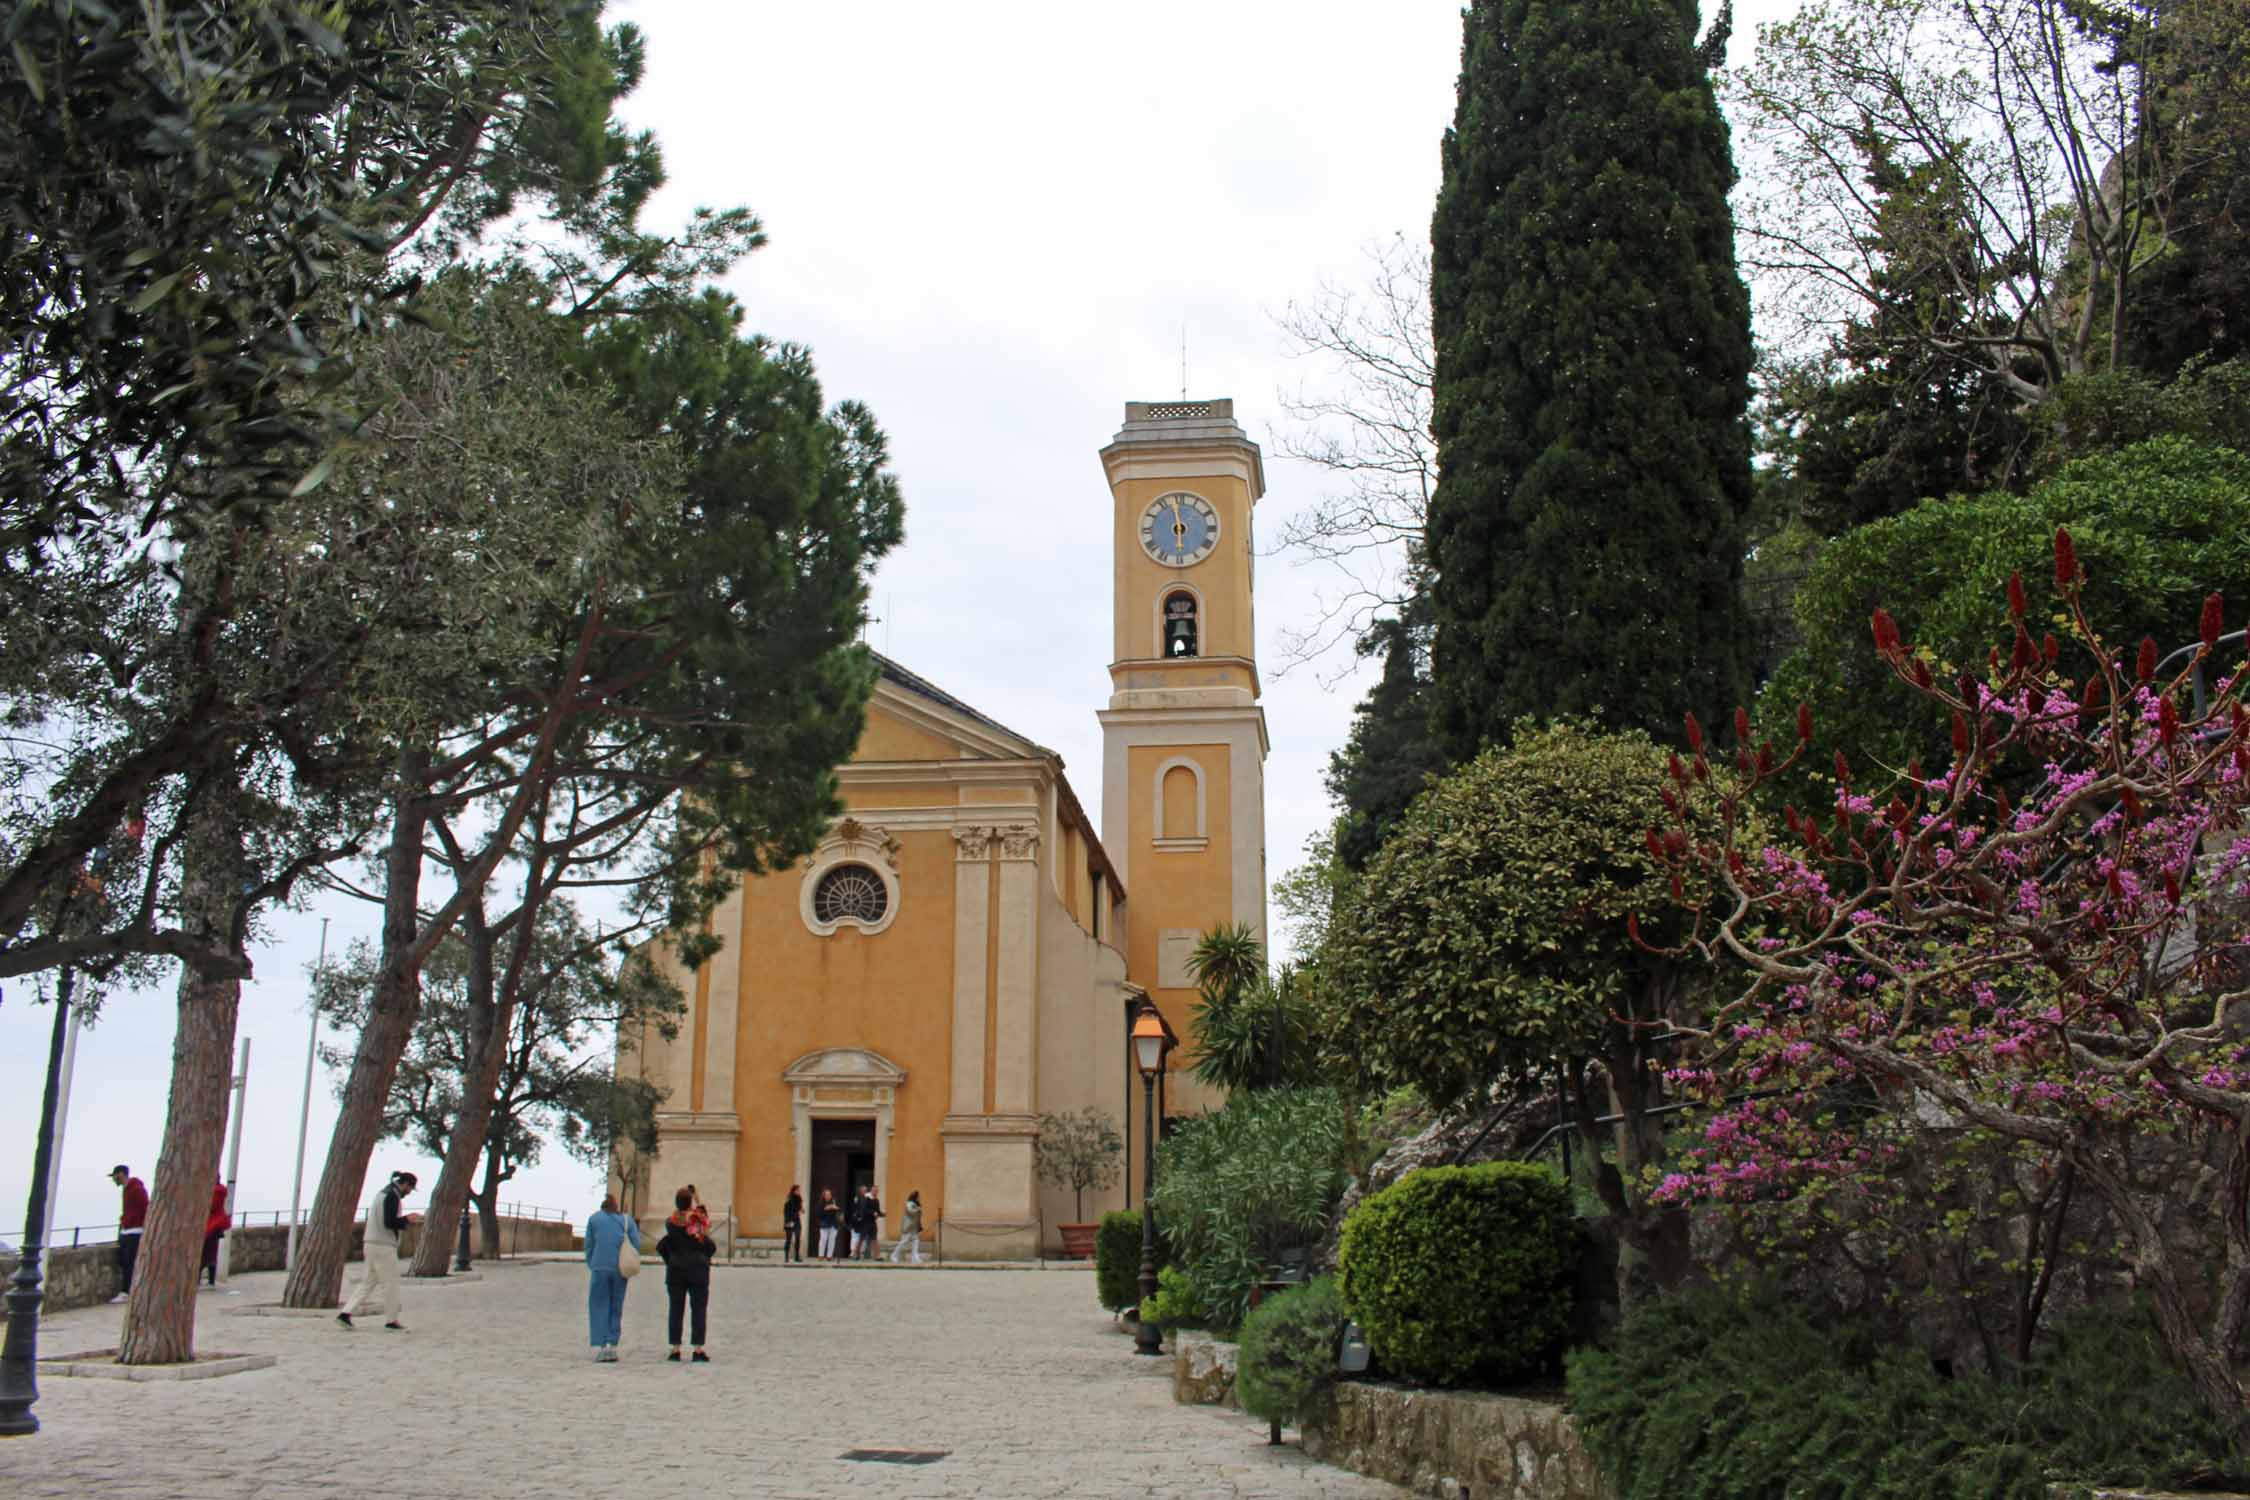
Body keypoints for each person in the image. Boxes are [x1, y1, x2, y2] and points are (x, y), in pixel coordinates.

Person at [339, 1170, 419, 1330]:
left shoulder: (382, 1194)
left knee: (368, 1281)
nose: (409, 1193)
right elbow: (389, 1222)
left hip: (370, 1242)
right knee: (390, 1283)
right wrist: (406, 1219)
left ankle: (345, 1313)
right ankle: (391, 1320)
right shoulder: (392, 1196)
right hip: (383, 1245)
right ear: (404, 1184)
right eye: (410, 1189)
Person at [656, 1186, 716, 1363]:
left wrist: (671, 1260)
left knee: (676, 1309)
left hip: (675, 1272)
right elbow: (710, 1245)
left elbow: (663, 1247)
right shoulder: (697, 1223)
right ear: (690, 1203)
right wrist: (704, 1258)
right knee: (698, 1309)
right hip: (698, 1271)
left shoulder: (670, 1223)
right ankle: (698, 1349)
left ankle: (675, 1349)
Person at [584, 1192, 641, 1362]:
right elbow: (636, 1244)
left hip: (600, 1267)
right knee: (616, 1306)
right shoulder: (626, 1220)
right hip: (620, 1268)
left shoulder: (594, 1220)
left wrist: (592, 1262)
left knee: (599, 1304)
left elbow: (588, 1245)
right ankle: (613, 1345)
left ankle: (601, 1346)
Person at [110, 1165, 147, 1301]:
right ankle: (128, 1291)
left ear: (121, 1174)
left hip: (135, 1232)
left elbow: (145, 1207)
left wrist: (138, 1224)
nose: (113, 1179)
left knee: (129, 1263)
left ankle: (127, 1292)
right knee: (124, 1262)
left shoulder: (136, 1189)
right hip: (127, 1231)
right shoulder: (127, 1190)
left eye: (114, 1176)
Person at [200, 1178, 230, 1286]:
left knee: (204, 1253)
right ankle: (211, 1279)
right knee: (211, 1254)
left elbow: (211, 1206)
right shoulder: (220, 1192)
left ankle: (201, 1279)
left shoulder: (215, 1192)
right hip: (216, 1225)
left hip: (212, 1224)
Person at [888, 1190, 925, 1265]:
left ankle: (914, 1257)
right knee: (904, 1241)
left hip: (914, 1227)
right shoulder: (909, 1203)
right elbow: (910, 1211)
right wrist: (918, 1209)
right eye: (918, 1197)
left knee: (916, 1241)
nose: (919, 1198)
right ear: (915, 1197)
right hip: (908, 1226)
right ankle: (894, 1255)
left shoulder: (915, 1204)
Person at [815, 1188, 841, 1261]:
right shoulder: (820, 1203)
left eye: (829, 1194)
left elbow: (839, 1210)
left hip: (833, 1224)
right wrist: (825, 1209)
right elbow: (818, 1214)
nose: (828, 1196)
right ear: (824, 1195)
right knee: (823, 1239)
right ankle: (821, 1255)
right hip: (824, 1224)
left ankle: (829, 1256)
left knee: (832, 1240)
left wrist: (836, 1208)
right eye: (826, 1194)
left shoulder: (834, 1202)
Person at [782, 1184, 803, 1263]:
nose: (799, 1191)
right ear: (794, 1191)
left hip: (797, 1221)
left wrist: (801, 1210)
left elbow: (799, 1208)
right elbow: (786, 1212)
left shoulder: (799, 1199)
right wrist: (788, 1222)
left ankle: (796, 1256)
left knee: (798, 1238)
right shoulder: (789, 1200)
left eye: (799, 1190)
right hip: (789, 1220)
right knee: (789, 1239)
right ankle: (786, 1257)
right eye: (798, 1190)